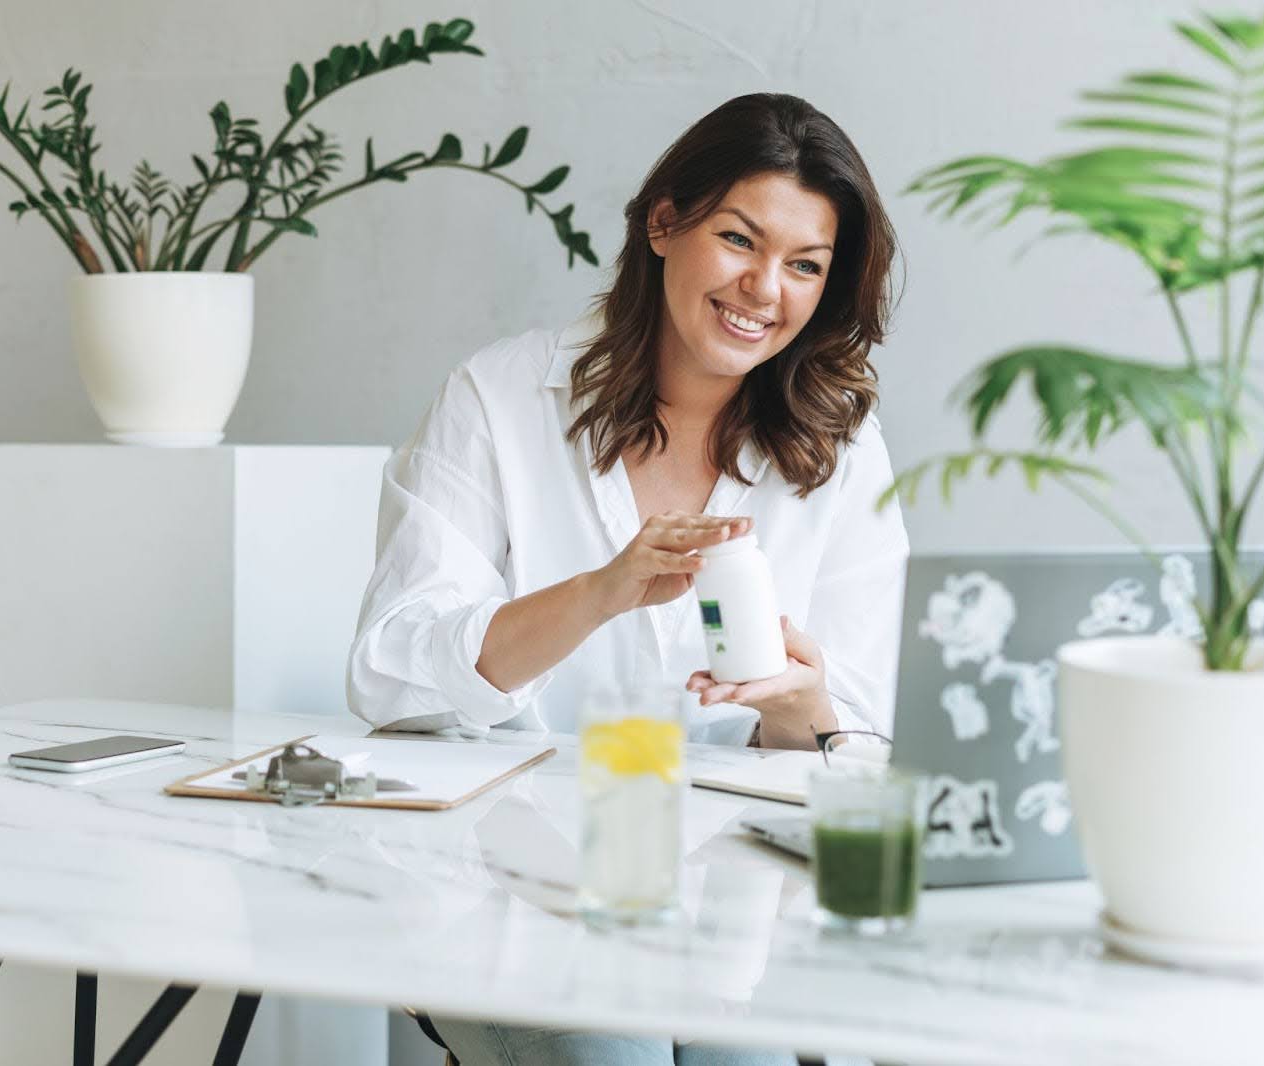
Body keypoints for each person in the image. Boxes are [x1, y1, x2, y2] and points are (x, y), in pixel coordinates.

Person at [347, 92, 907, 1065]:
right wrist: (603, 587)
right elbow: (394, 673)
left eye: (805, 265)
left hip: (737, 894)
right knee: (615, 1047)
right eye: (739, 239)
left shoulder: (839, 446)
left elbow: (863, 746)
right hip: (517, 880)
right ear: (663, 222)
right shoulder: (499, 397)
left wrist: (800, 702)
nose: (764, 288)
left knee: (751, 1054)